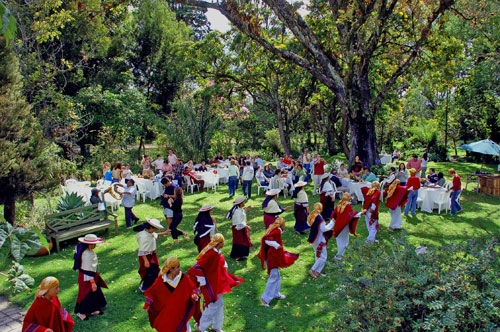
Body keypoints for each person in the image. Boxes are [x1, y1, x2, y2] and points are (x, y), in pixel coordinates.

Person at [188, 234, 243, 332]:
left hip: (217, 282)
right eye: (222, 242)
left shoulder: (217, 252)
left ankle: (217, 326)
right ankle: (201, 327)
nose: (223, 243)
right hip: (210, 284)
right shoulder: (210, 253)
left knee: (220, 304)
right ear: (219, 243)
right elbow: (197, 267)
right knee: (213, 305)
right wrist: (202, 281)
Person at [143, 257, 200, 332]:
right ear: (171, 269)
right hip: (169, 315)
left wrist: (194, 295)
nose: (180, 269)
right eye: (177, 267)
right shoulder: (161, 281)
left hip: (182, 312)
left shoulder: (183, 278)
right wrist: (148, 303)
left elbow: (193, 288)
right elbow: (151, 293)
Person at [257, 217, 299, 307]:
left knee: (277, 275)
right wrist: (276, 245)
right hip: (273, 256)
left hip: (273, 255)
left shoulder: (273, 228)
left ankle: (276, 293)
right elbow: (267, 239)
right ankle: (265, 298)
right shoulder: (277, 230)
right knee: (274, 276)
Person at [73, 234, 107, 321]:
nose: (95, 245)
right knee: (86, 294)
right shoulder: (86, 254)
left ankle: (93, 309)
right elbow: (86, 269)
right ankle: (81, 312)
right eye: (94, 244)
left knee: (93, 294)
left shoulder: (86, 251)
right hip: (87, 278)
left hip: (91, 275)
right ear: (88, 244)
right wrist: (92, 282)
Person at [135, 218, 170, 292]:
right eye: (155, 229)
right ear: (151, 228)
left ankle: (154, 285)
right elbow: (141, 250)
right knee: (149, 272)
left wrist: (164, 233)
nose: (155, 231)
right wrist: (146, 261)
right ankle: (144, 287)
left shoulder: (149, 233)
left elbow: (155, 235)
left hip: (151, 254)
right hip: (145, 256)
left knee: (154, 270)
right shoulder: (143, 236)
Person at [331, 193, 363, 261]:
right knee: (345, 242)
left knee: (339, 241)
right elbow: (351, 215)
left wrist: (332, 218)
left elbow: (333, 213)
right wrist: (361, 213)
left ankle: (339, 256)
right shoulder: (347, 206)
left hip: (337, 226)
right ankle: (338, 257)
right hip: (344, 227)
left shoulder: (339, 205)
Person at [307, 203, 334, 278]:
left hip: (314, 238)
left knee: (318, 255)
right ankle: (313, 270)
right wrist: (332, 223)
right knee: (323, 257)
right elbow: (324, 229)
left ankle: (317, 271)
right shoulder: (319, 218)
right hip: (319, 240)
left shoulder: (312, 215)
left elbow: (308, 224)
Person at [226, 196, 252, 260]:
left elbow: (242, 214)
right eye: (243, 202)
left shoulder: (239, 209)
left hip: (241, 227)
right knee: (239, 241)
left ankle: (243, 254)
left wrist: (246, 209)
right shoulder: (237, 211)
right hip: (238, 228)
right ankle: (238, 255)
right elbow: (238, 221)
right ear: (240, 203)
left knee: (243, 240)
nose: (244, 203)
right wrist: (246, 226)